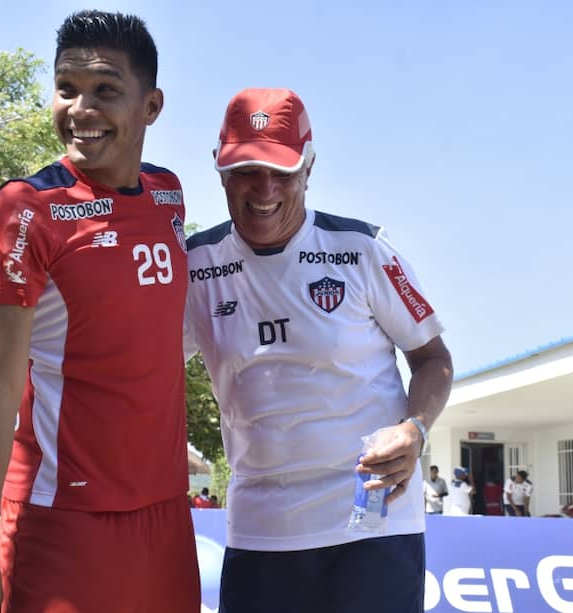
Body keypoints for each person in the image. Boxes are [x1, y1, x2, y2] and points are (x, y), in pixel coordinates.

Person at [0, 11, 200, 613]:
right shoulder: (23, 211)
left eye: (106, 90)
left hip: (165, 518)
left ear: (151, 106)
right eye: (67, 89)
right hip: (63, 519)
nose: (81, 108)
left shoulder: (169, 193)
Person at [184, 88, 453, 613]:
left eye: (282, 171)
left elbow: (433, 358)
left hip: (373, 524)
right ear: (218, 169)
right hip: (261, 531)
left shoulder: (363, 250)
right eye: (246, 170)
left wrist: (414, 428)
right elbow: (145, 378)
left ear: (309, 167)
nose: (264, 189)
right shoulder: (193, 267)